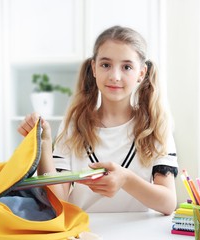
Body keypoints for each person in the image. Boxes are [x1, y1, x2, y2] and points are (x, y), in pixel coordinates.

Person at [18, 25, 178, 215]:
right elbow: (57, 200)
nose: (115, 76)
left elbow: (168, 204)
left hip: (138, 235)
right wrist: (44, 145)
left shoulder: (155, 126)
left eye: (127, 67)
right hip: (83, 234)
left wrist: (126, 179)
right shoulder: (73, 126)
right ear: (94, 68)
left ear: (141, 74)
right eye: (105, 65)